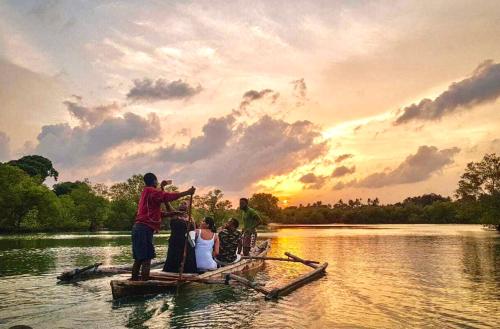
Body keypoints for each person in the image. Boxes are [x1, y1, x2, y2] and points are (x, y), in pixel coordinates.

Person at [131, 173, 195, 281]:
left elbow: (159, 213)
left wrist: (174, 213)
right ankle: (143, 285)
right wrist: (187, 192)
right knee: (146, 259)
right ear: (154, 181)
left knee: (139, 258)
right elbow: (167, 196)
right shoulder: (151, 191)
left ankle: (134, 281)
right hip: (143, 229)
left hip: (140, 228)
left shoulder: (147, 193)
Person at [163, 201, 197, 273]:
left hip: (186, 242)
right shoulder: (174, 215)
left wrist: (193, 243)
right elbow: (168, 206)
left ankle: (186, 271)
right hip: (175, 241)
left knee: (187, 260)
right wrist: (165, 198)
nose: (183, 204)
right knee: (174, 258)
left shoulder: (191, 218)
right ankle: (172, 272)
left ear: (188, 207)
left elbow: (194, 231)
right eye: (181, 203)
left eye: (185, 203)